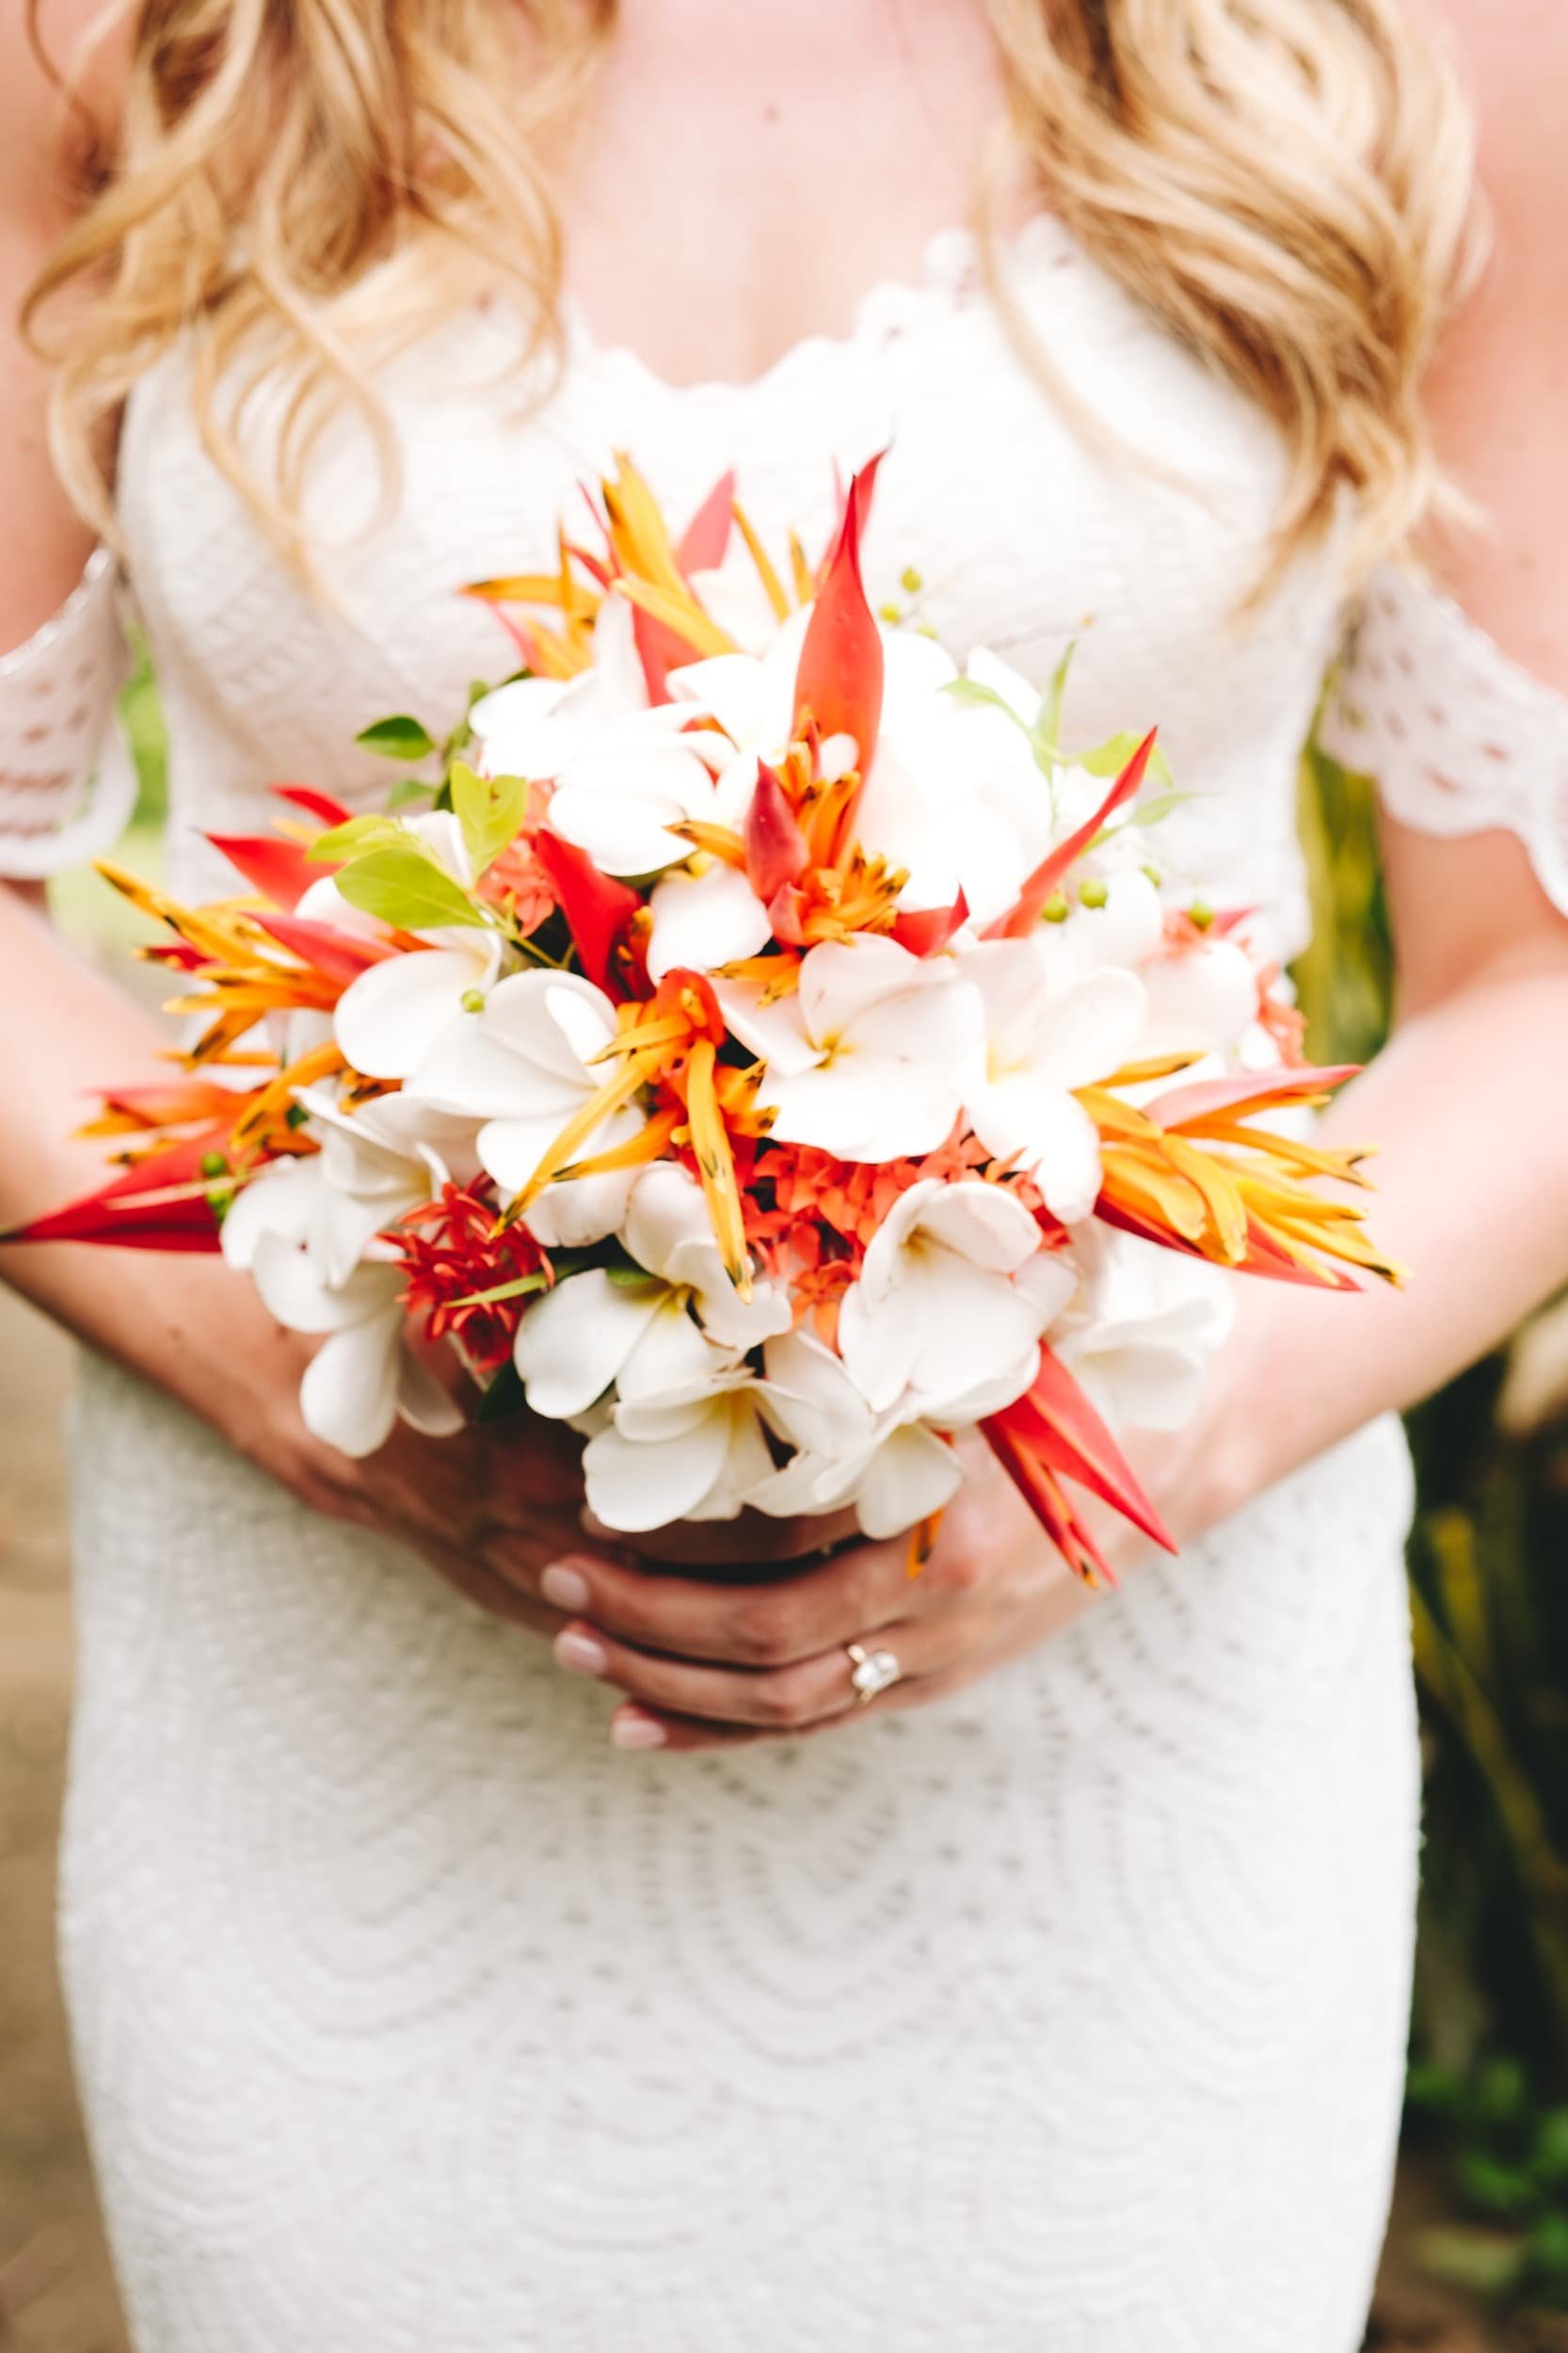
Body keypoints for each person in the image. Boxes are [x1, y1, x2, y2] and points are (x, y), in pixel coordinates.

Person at [2, 2, 1566, 2345]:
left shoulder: (1418, 37)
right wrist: (315, 1381)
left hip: (1118, 1781)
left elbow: (1531, 983)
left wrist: (1123, 1448)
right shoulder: (114, 35)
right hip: (354, 1765)